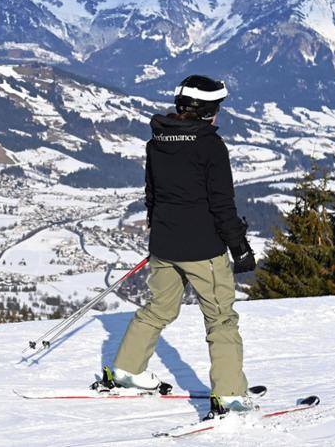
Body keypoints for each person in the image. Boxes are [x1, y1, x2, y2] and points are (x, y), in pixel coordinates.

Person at [100, 74, 257, 418]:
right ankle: (230, 396)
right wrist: (240, 248)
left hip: (165, 246)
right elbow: (222, 204)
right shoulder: (210, 146)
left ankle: (127, 371)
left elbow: (153, 196)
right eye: (216, 108)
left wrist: (162, 234)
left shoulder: (157, 141)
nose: (218, 115)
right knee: (221, 319)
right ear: (206, 111)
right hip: (203, 250)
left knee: (159, 308)